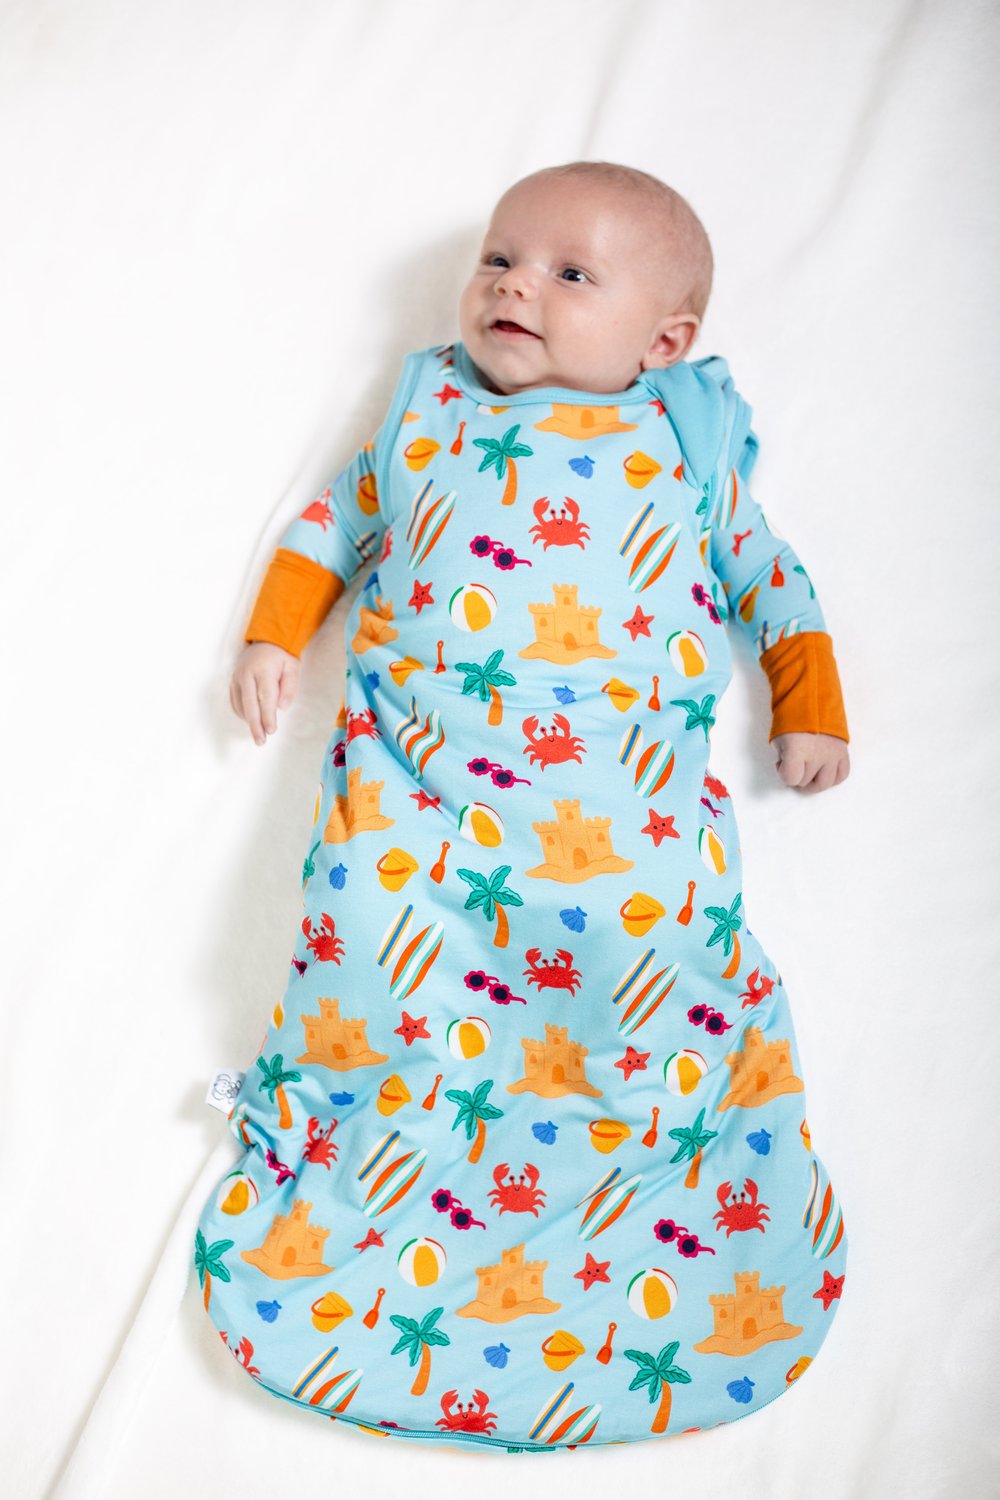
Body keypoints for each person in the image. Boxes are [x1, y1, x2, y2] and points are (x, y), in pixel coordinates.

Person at [196, 161, 850, 1450]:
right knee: (372, 929)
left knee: (657, 943)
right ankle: (376, 1141)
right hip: (423, 803)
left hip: (624, 818)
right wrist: (280, 632)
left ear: (664, 340)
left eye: (569, 273)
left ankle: (642, 1161)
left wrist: (807, 704)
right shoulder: (427, 408)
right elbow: (335, 522)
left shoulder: (684, 439)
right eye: (500, 256)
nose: (512, 286)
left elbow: (772, 576)